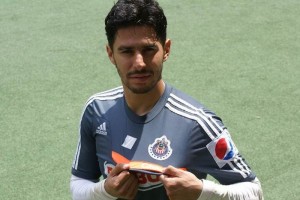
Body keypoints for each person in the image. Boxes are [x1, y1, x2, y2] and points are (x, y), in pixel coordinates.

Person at [70, 0, 264, 199]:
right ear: (111, 54)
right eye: (126, 51)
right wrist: (105, 191)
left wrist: (202, 191)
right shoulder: (97, 109)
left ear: (166, 49)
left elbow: (253, 191)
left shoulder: (197, 122)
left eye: (148, 49)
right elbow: (79, 183)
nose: (139, 63)